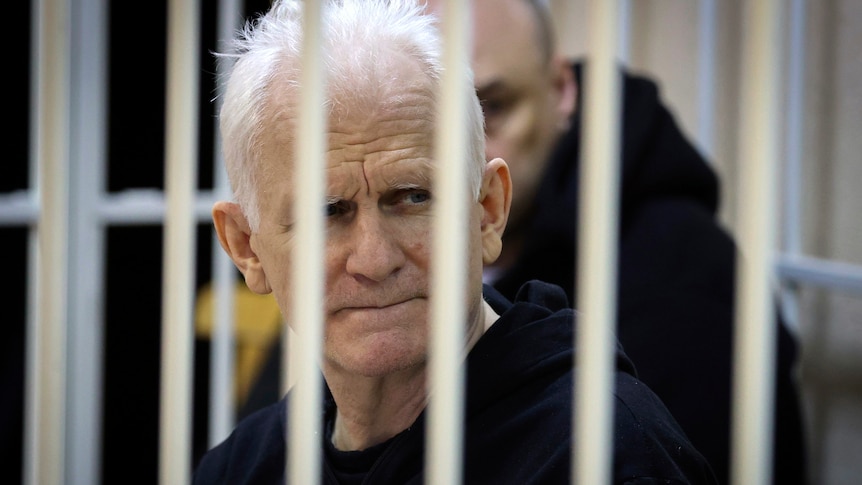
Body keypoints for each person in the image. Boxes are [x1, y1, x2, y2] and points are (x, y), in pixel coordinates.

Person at [192, 0, 719, 483]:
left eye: (413, 197)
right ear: (246, 247)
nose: (374, 259)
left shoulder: (604, 456)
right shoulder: (241, 468)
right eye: (327, 211)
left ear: (488, 210)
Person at [419, 1, 806, 484]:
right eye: (423, 121)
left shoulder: (683, 280)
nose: (457, 151)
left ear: (561, 90)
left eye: (490, 107)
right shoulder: (381, 254)